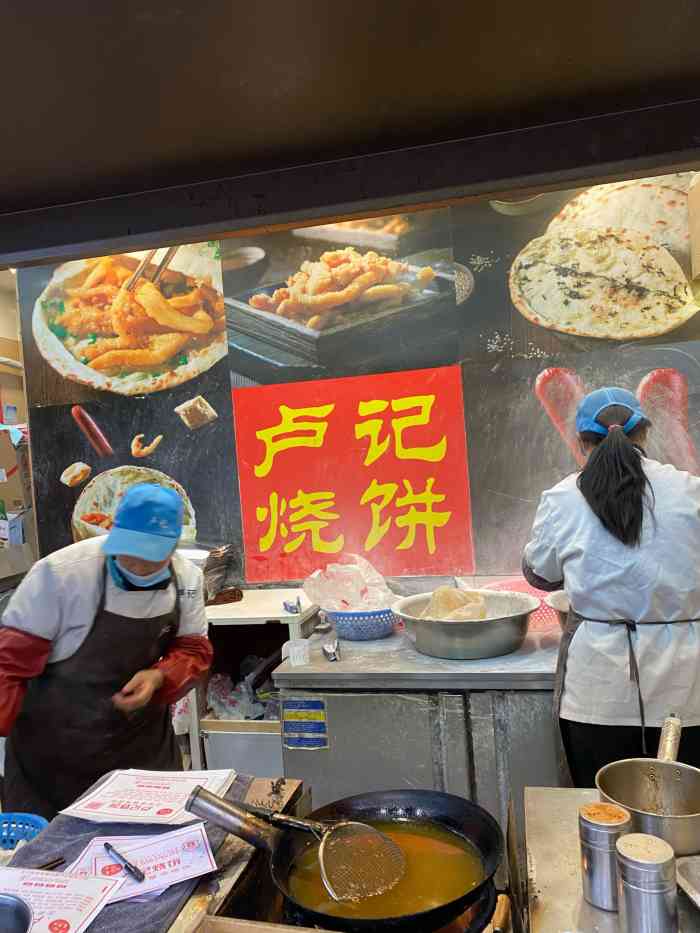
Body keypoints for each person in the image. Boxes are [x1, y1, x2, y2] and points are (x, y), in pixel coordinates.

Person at [0, 483, 213, 818]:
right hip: (53, 763)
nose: (138, 565)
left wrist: (158, 677)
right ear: (114, 532)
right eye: (129, 550)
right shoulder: (62, 575)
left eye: (151, 555)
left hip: (141, 757)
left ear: (173, 546)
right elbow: (8, 665)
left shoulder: (186, 579)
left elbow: (193, 651)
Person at [523, 386, 700, 787]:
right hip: (686, 689)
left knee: (601, 812)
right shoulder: (691, 492)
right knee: (686, 818)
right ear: (643, 435)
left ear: (583, 443)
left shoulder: (563, 497)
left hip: (598, 693)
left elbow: (539, 573)